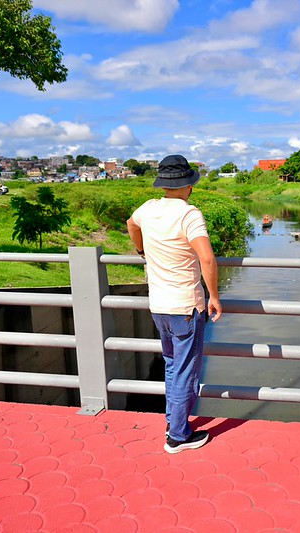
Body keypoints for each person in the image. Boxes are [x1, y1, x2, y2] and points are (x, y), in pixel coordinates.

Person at [127, 154, 222, 454]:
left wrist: (141, 249)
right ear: (189, 185)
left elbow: (131, 223)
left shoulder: (149, 208)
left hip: (159, 306)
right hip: (184, 307)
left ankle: (173, 422)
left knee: (171, 365)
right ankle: (178, 436)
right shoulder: (189, 214)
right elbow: (206, 257)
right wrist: (215, 296)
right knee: (185, 371)